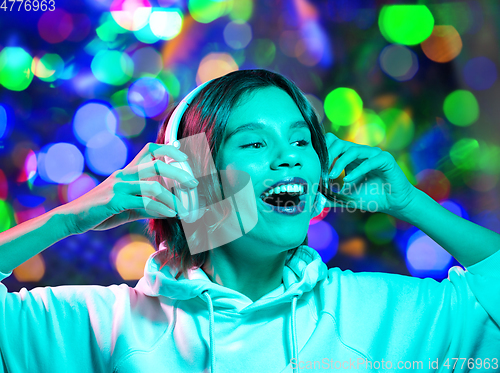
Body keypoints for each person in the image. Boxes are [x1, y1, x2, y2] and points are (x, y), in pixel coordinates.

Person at [0, 69, 499, 373]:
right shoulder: (104, 325)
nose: (291, 158)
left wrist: (411, 203)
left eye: (303, 141)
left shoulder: (377, 313)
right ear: (187, 175)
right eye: (256, 143)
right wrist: (69, 219)